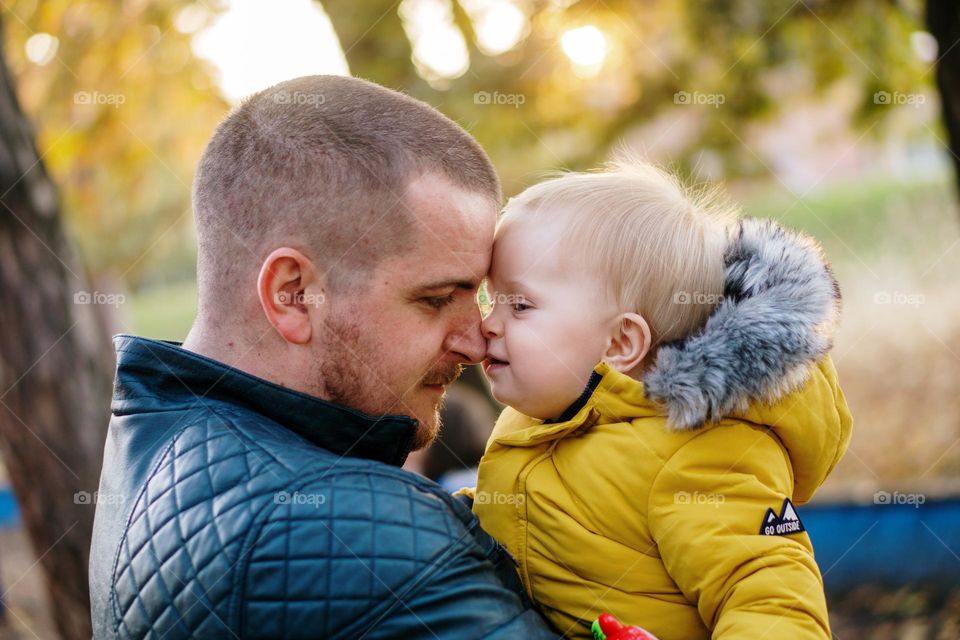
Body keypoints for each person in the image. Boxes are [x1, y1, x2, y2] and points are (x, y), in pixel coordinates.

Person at [88, 75, 558, 638]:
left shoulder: (148, 441)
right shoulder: (356, 533)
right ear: (293, 293)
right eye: (435, 300)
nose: (477, 339)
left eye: (477, 295)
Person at [470, 160, 854, 639]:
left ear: (620, 343)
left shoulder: (699, 455)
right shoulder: (535, 419)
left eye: (520, 305)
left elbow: (769, 595)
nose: (487, 322)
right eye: (490, 297)